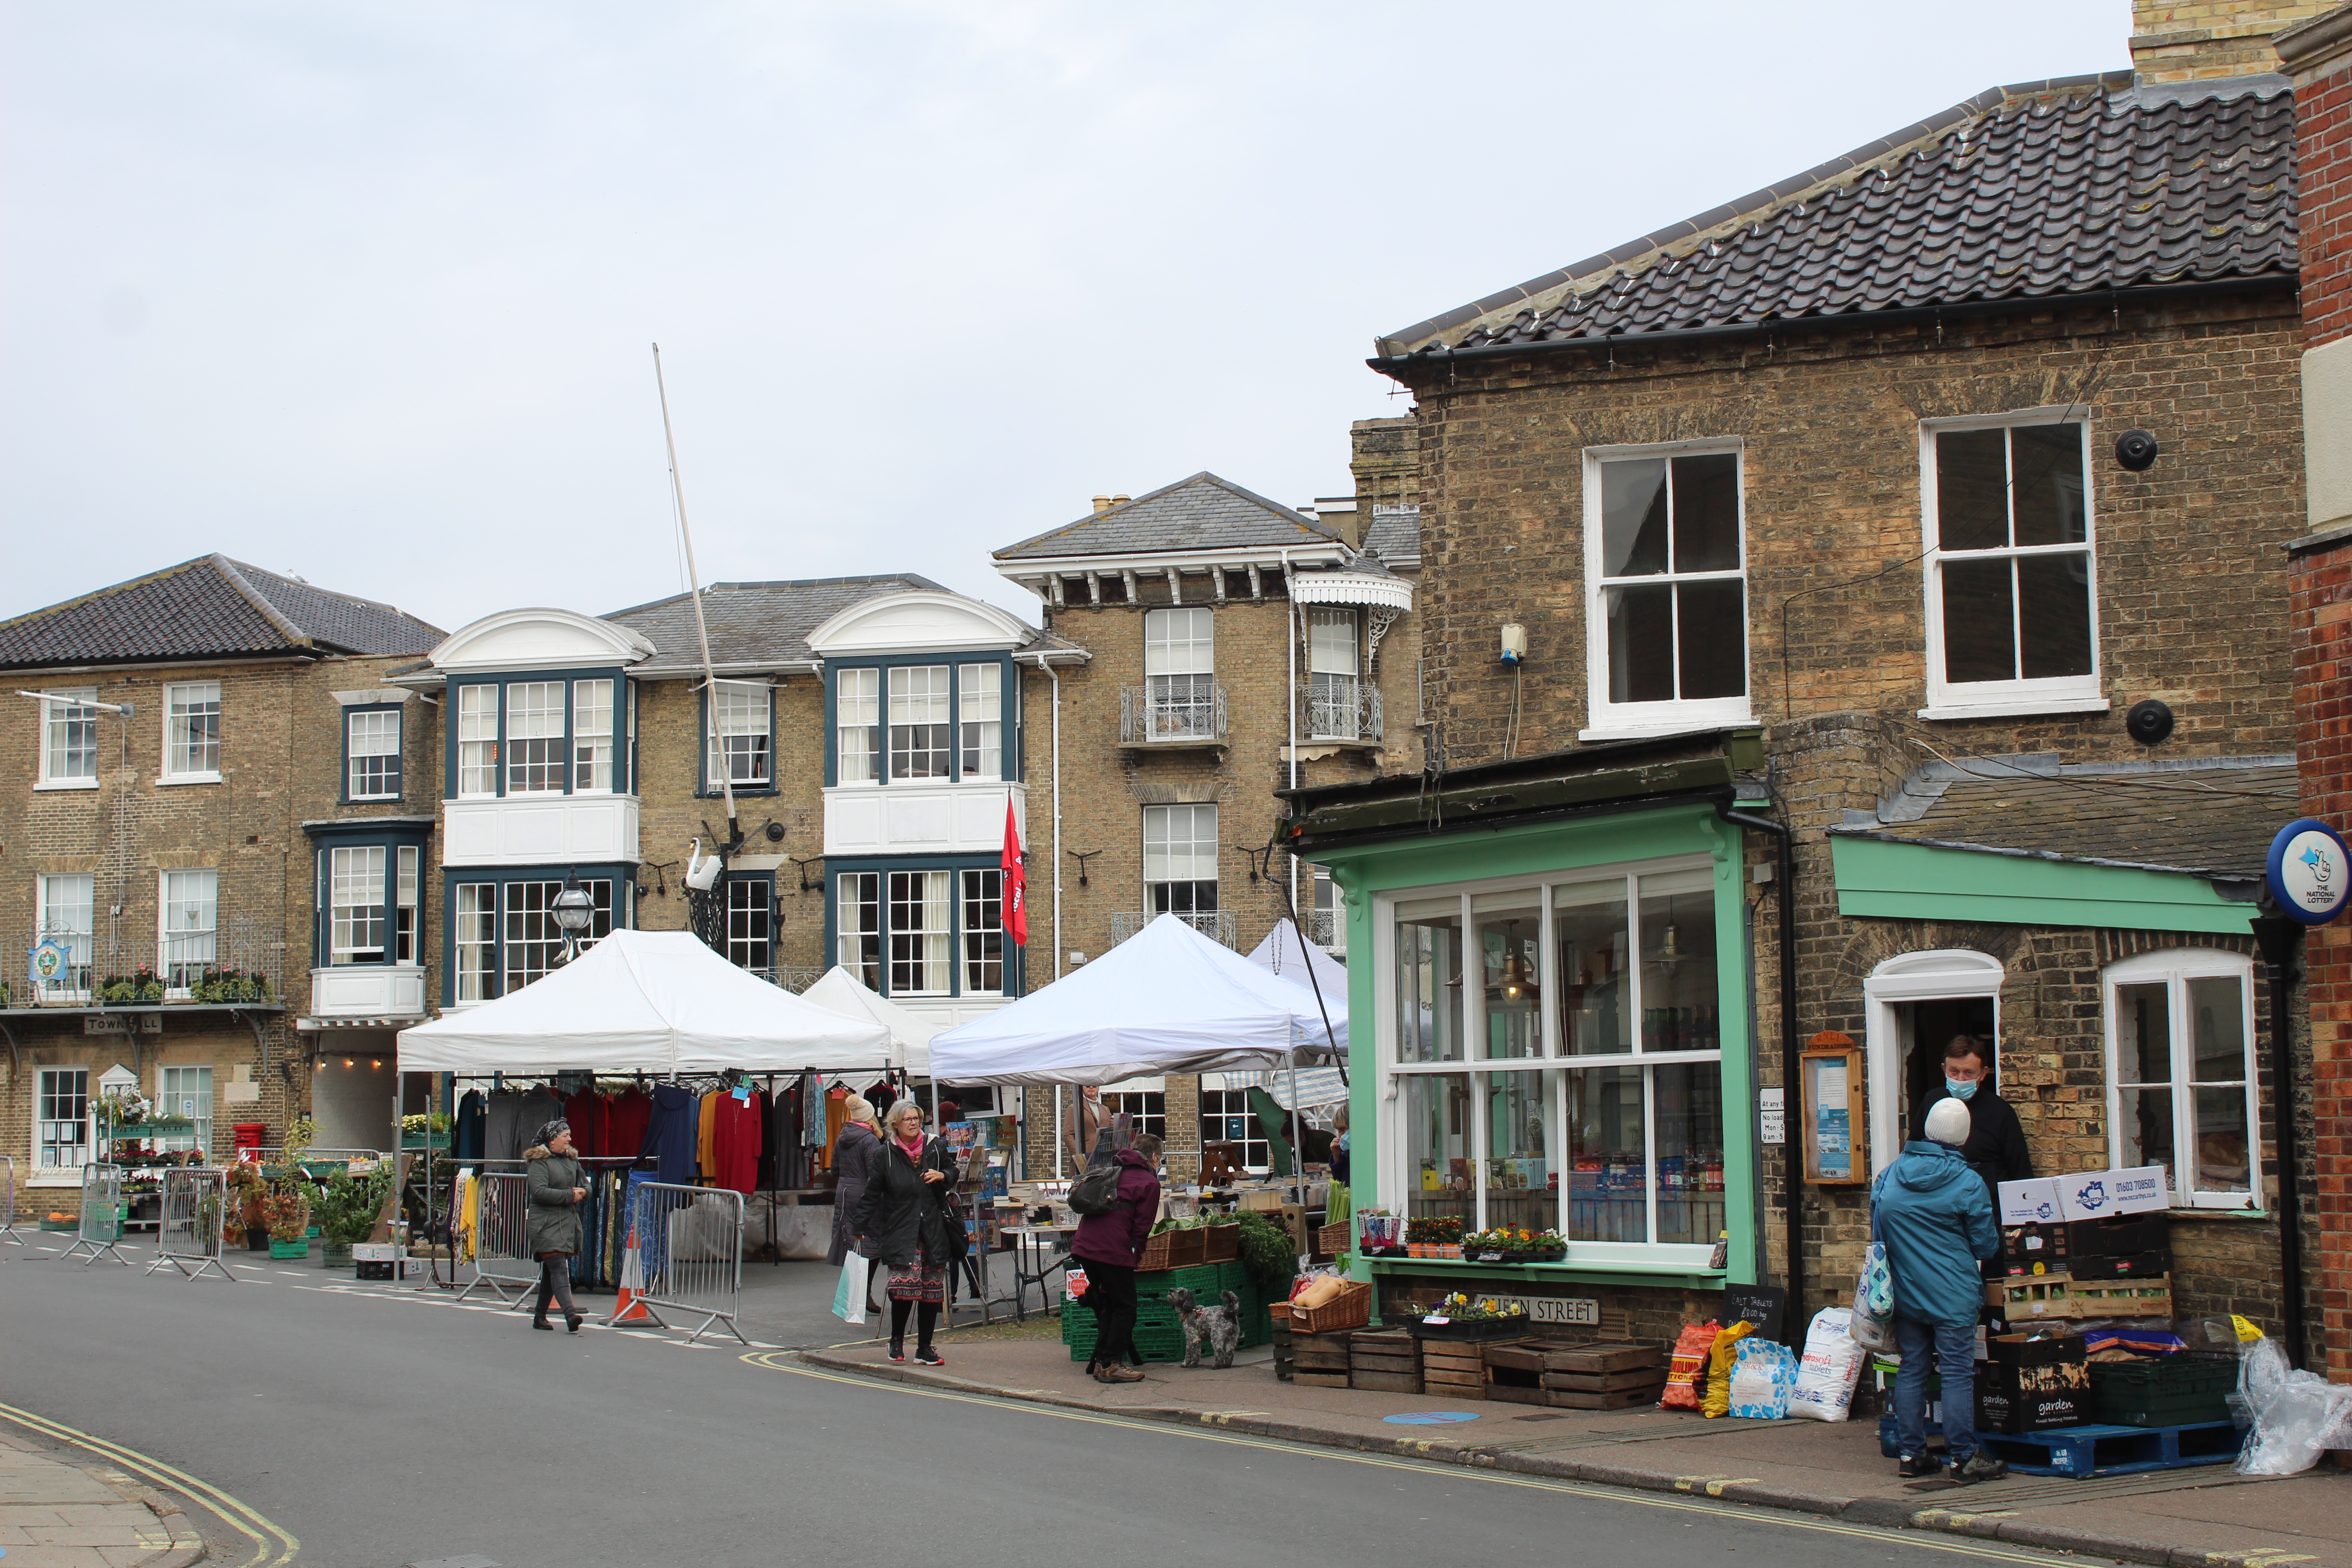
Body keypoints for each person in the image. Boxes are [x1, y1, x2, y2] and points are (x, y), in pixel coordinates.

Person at [1873, 1098, 2006, 1484]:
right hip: (1953, 1294)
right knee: (1957, 1373)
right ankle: (1964, 1458)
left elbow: (1877, 1235)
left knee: (1912, 1367)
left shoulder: (1890, 1175)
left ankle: (1911, 1455)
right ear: (1963, 1137)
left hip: (1905, 1293)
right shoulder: (1968, 1182)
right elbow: (1985, 1247)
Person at [855, 1099, 958, 1366]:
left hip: (933, 1229)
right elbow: (872, 1193)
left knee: (931, 1291)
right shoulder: (886, 1154)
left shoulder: (935, 1146)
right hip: (901, 1230)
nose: (914, 1124)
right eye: (908, 1120)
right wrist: (859, 1226)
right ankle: (896, 1341)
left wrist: (943, 1176)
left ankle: (924, 1349)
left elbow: (953, 1171)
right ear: (895, 1124)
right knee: (903, 1289)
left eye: (917, 1119)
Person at [1069, 1131, 1162, 1385]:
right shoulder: (1149, 1183)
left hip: (1085, 1247)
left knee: (1111, 1304)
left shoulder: (1112, 1171)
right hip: (1112, 1250)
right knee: (1126, 1306)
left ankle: (1103, 1362)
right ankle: (1112, 1364)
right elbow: (1141, 1229)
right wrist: (1135, 1259)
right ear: (1154, 1158)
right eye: (1160, 1159)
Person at [1912, 1034, 2032, 1207]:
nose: (1960, 1079)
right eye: (1954, 1072)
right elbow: (1912, 1152)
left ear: (1983, 1073)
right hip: (1936, 1208)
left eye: (1969, 1073)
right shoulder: (1932, 1102)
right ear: (1944, 1069)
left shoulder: (2001, 1112)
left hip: (1986, 1209)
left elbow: (2020, 1172)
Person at [523, 1119, 587, 1333]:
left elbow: (586, 1185)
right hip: (544, 1223)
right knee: (558, 1266)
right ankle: (570, 1314)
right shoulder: (539, 1162)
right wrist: (570, 1196)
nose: (570, 1139)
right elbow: (539, 1192)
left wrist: (584, 1191)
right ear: (552, 1141)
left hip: (566, 1223)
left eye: (569, 1135)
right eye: (565, 1136)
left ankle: (539, 1316)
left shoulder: (572, 1160)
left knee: (551, 1271)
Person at [828, 1095, 883, 1313]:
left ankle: (855, 1293)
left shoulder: (843, 1137)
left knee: (852, 1244)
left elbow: (834, 1169)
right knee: (873, 1243)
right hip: (864, 1195)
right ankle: (864, 1292)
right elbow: (875, 1174)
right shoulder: (870, 1140)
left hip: (844, 1193)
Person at [1064, 1084, 1107, 1169]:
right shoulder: (1074, 1108)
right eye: (1088, 1086)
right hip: (1085, 1162)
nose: (1091, 1087)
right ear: (1083, 1089)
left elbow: (1112, 1130)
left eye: (1094, 1086)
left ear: (1098, 1089)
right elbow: (1067, 1135)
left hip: (1103, 1161)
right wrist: (1080, 1157)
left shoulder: (1105, 1110)